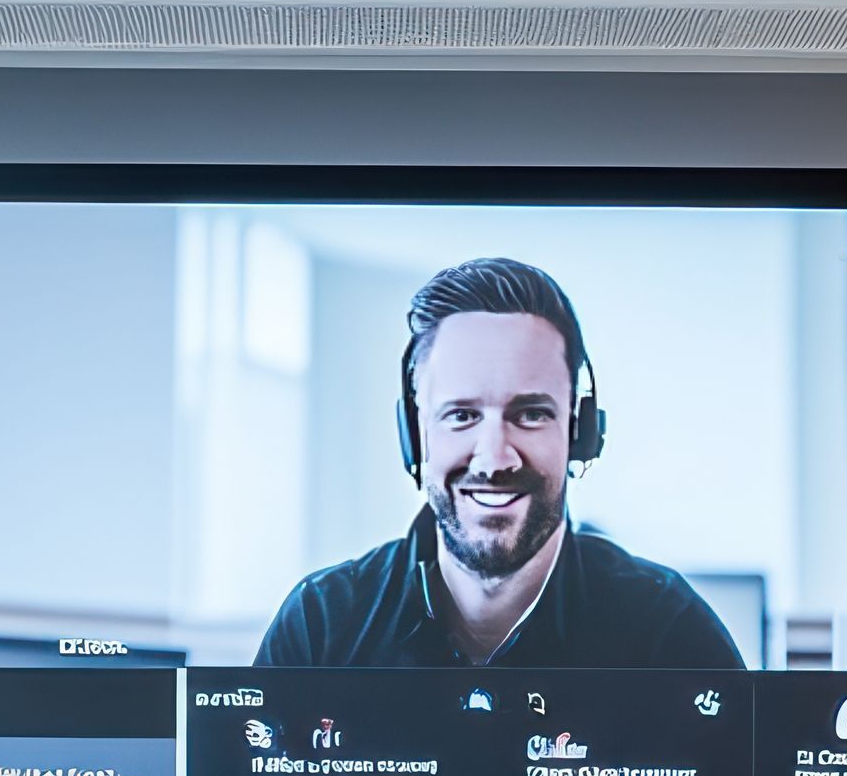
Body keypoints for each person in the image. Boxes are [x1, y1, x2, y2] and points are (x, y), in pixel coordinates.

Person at [254, 257, 744, 675]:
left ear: (579, 432)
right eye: (462, 415)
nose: (494, 459)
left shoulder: (669, 631)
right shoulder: (321, 626)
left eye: (530, 414)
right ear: (415, 434)